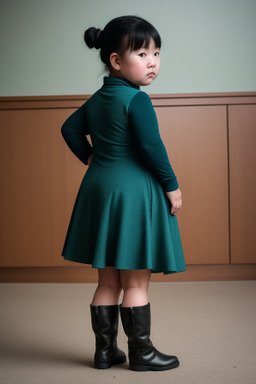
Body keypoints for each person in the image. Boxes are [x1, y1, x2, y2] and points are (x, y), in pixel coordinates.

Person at [61, 15, 186, 372]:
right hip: (133, 193)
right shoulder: (137, 100)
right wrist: (171, 185)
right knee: (134, 278)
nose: (153, 62)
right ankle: (141, 354)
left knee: (108, 279)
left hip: (100, 189)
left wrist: (90, 156)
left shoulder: (99, 98)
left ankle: (105, 352)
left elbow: (69, 129)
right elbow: (152, 147)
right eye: (143, 53)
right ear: (116, 60)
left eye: (157, 53)